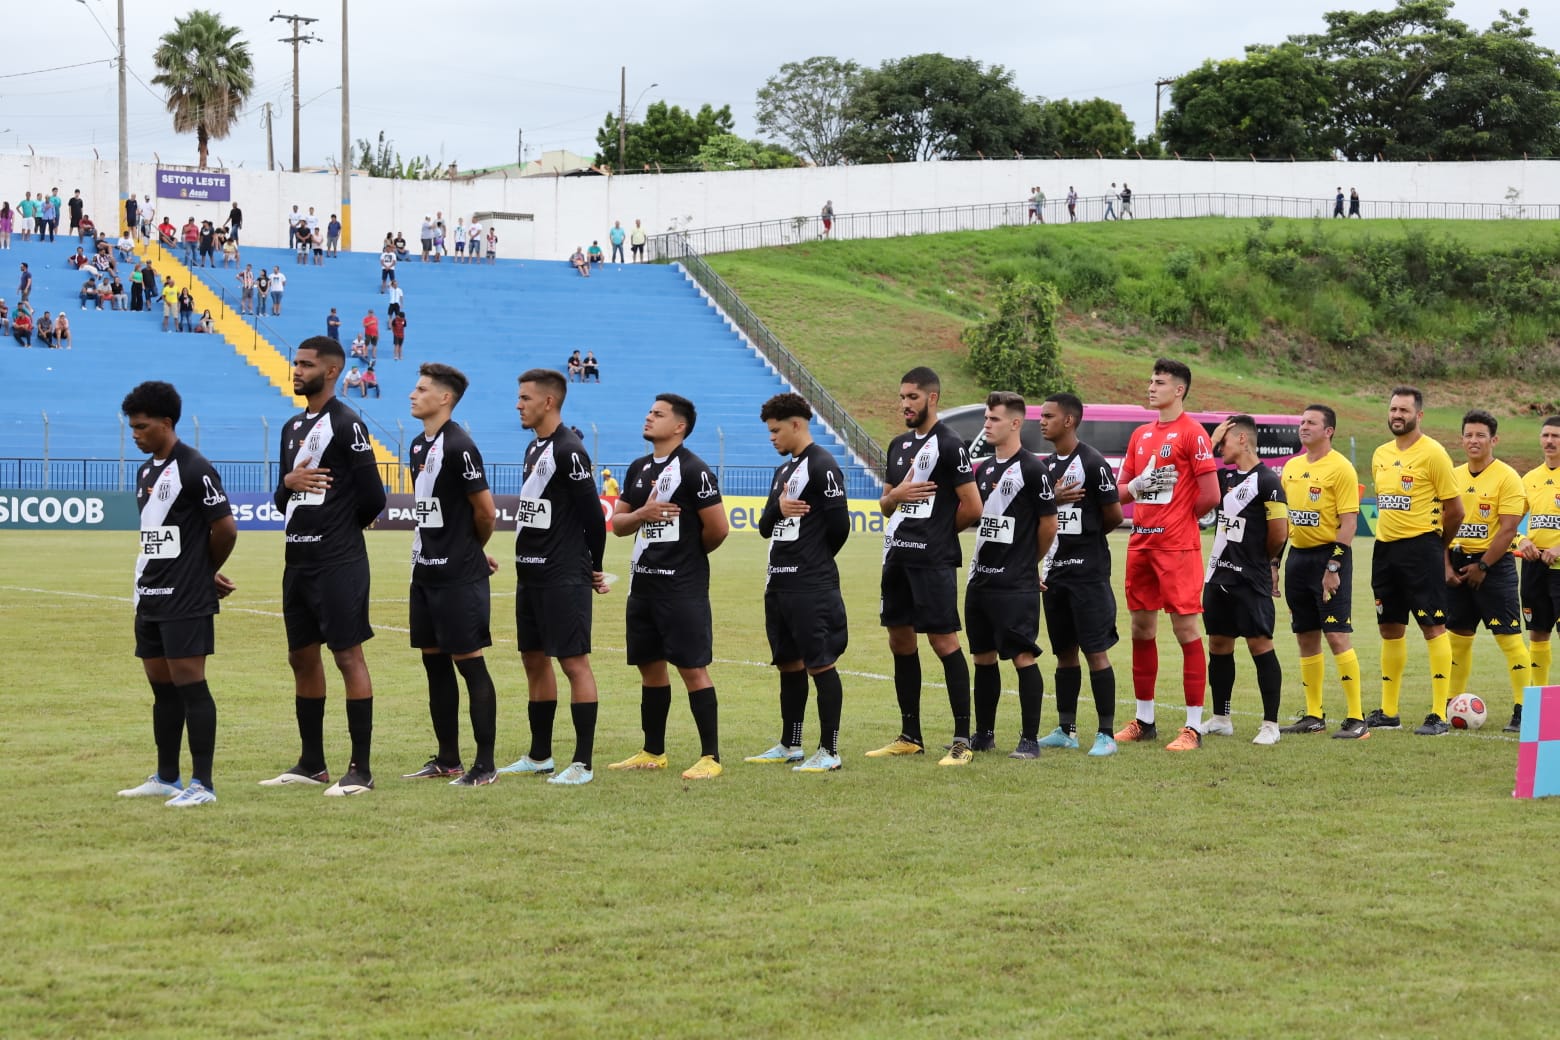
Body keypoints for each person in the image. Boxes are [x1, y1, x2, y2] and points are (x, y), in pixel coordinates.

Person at [261, 336, 387, 796]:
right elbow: (282, 498)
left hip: (338, 560)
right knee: (301, 656)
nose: (296, 370)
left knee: (347, 655)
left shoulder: (347, 423)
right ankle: (311, 762)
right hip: (298, 560)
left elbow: (373, 495)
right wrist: (290, 482)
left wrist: (340, 530)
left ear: (331, 371)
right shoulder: (291, 426)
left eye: (305, 364)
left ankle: (360, 770)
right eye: (295, 363)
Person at [115, 381, 236, 807]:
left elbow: (225, 527)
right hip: (148, 595)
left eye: (142, 426)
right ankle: (167, 776)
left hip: (184, 599)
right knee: (162, 690)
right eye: (131, 426)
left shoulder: (195, 467)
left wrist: (204, 572)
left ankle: (203, 784)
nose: (135, 433)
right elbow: (162, 537)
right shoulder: (147, 470)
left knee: (191, 685)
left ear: (166, 423)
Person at [497, 369, 610, 786]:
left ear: (548, 402)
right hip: (531, 574)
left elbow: (594, 517)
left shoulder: (569, 449)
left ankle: (582, 763)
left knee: (573, 663)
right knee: (533, 659)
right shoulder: (535, 449)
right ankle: (540, 755)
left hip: (564, 574)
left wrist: (593, 566)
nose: (518, 404)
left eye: (525, 398)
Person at [608, 394, 730, 779]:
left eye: (657, 414)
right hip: (642, 586)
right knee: (650, 669)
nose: (648, 418)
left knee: (693, 668)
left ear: (679, 426)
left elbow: (718, 529)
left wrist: (687, 558)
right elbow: (619, 525)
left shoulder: (694, 470)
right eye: (648, 411)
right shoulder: (638, 468)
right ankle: (653, 750)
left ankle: (710, 756)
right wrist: (642, 513)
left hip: (682, 589)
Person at [866, 367, 983, 764]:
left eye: (912, 397)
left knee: (943, 641)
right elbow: (885, 506)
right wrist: (896, 494)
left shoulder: (949, 445)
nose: (904, 404)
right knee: (900, 640)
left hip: (931, 561)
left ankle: (962, 740)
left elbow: (973, 505)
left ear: (932, 398)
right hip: (897, 556)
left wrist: (940, 535)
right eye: (901, 397)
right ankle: (910, 734)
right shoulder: (898, 445)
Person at [403, 363, 503, 786]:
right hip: (423, 571)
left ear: (444, 398)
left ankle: (485, 766)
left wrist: (470, 552)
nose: (413, 394)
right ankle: (447, 758)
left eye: (422, 389)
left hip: (458, 575)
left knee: (470, 665)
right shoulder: (416, 446)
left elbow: (485, 512)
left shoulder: (460, 446)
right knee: (434, 664)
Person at [742, 392, 853, 772]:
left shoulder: (822, 465)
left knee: (820, 664)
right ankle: (791, 743)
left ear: (796, 424)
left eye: (775, 431)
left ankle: (830, 751)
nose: (771, 438)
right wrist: (779, 508)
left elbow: (841, 526)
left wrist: (815, 561)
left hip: (811, 584)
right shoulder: (783, 471)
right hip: (779, 583)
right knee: (789, 665)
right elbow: (763, 527)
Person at [1113, 358, 1220, 751]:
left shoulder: (1193, 434)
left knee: (1186, 630)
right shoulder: (1140, 434)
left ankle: (1193, 726)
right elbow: (1121, 491)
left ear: (1179, 390)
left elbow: (1211, 496)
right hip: (1141, 542)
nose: (1150, 387)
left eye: (1159, 382)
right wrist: (1138, 485)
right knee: (1142, 629)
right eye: (1150, 380)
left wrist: (1177, 521)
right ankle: (1145, 719)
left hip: (1177, 547)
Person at [964, 392, 1058, 757]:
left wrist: (1026, 564)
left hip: (1014, 584)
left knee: (1022, 657)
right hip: (980, 581)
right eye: (986, 418)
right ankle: (984, 735)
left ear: (1015, 423)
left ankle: (1029, 740)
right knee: (982, 657)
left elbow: (1049, 524)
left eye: (994, 419)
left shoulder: (1033, 469)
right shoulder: (983, 468)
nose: (986, 424)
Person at [1367, 386, 1463, 735]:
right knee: (1389, 628)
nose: (1397, 415)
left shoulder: (1434, 453)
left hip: (1422, 548)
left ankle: (1439, 712)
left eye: (1404, 411)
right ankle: (1389, 712)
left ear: (1418, 415)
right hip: (1385, 550)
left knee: (1433, 627)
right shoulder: (1379, 454)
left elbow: (1456, 510)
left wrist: (1439, 546)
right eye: (1393, 409)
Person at [1278, 405, 1368, 738]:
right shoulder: (1291, 467)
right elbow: (1287, 521)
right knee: (1305, 636)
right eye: (1301, 422)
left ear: (1328, 430)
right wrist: (1276, 563)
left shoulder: (1341, 469)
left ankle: (1357, 718)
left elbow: (1349, 524)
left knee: (1336, 635)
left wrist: (1333, 566)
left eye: (1311, 423)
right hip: (1297, 559)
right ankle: (1314, 715)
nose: (1303, 427)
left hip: (1328, 558)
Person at [1202, 415, 1288, 745]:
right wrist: (1210, 444)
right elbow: (1194, 474)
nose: (1219, 446)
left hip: (1250, 578)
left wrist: (1261, 561)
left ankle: (1270, 725)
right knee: (1219, 646)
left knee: (1259, 645)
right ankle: (1221, 717)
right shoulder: (1221, 476)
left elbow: (1279, 532)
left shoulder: (1267, 481)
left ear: (1242, 440)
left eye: (1224, 440)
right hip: (1217, 574)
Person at [1445, 410, 1530, 733]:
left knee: (1509, 639)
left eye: (1481, 435)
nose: (1473, 441)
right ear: (1462, 438)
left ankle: (1523, 709)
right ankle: (1450, 702)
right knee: (1458, 640)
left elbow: (1508, 529)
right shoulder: (1453, 475)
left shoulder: (1508, 477)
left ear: (1494, 440)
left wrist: (1483, 566)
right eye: (1468, 435)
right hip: (1456, 562)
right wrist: (1446, 565)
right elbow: (1441, 524)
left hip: (1494, 567)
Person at [1518, 417, 1560, 722]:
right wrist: (1523, 539)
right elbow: (1510, 521)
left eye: (1556, 436)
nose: (1550, 441)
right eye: (1545, 435)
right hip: (1534, 568)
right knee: (1538, 633)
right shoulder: (1529, 478)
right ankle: (1540, 707)